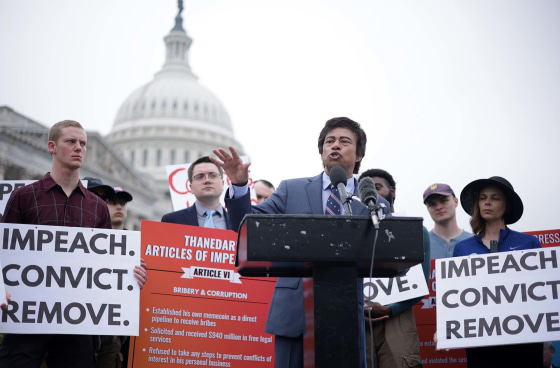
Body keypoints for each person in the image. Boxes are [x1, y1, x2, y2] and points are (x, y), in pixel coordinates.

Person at [212, 117, 391, 368]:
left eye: (344, 141)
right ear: (322, 151)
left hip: (346, 316)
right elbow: (247, 226)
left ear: (359, 154)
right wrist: (240, 186)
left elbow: (389, 248)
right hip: (294, 314)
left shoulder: (373, 203)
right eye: (329, 141)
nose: (335, 146)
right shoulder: (291, 189)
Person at [0, 120, 147, 368]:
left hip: (77, 324)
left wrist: (130, 275)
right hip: (27, 318)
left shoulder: (98, 206)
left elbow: (104, 264)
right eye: (71, 142)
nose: (79, 148)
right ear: (52, 147)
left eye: (83, 143)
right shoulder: (24, 196)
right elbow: (4, 251)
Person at [453, 176, 542, 367]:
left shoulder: (529, 243)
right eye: (483, 197)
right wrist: (446, 327)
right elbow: (457, 297)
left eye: (495, 198)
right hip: (480, 340)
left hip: (524, 339)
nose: (487, 202)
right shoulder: (462, 249)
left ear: (507, 206)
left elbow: (541, 294)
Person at [359, 169, 429, 368]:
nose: (372, 193)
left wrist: (391, 309)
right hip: (359, 320)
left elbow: (421, 281)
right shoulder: (350, 232)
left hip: (398, 318)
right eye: (366, 189)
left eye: (377, 187)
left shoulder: (415, 230)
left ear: (392, 191)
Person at [95, 186, 134, 368]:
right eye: (112, 203)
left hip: (118, 334)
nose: (119, 207)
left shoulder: (138, 245)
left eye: (123, 203)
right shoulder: (89, 241)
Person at [161, 156, 232, 230]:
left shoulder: (239, 223)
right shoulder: (171, 221)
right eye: (200, 177)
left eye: (213, 175)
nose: (207, 180)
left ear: (222, 183)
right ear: (191, 187)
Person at [423, 183, 472, 258]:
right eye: (432, 204)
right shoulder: (420, 246)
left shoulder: (474, 242)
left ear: (455, 201)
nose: (438, 207)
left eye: (444, 201)